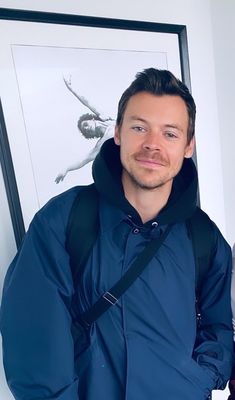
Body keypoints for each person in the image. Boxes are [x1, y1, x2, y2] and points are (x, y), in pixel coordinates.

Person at [0, 68, 233, 400]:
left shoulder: (204, 237)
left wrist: (198, 380)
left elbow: (219, 327)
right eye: (140, 127)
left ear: (188, 146)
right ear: (119, 132)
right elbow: (33, 339)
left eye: (170, 133)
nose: (152, 144)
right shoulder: (64, 220)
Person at [55, 76, 115, 183]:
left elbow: (86, 101)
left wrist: (71, 88)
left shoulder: (105, 117)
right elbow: (83, 160)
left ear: (92, 119)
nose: (87, 128)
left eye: (86, 124)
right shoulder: (101, 143)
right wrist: (66, 169)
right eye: (85, 130)